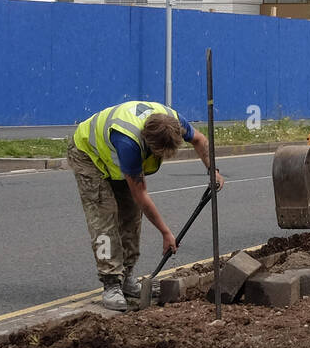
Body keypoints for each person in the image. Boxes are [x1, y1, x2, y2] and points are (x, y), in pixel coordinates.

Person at [68, 99, 225, 312]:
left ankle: (127, 277)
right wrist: (166, 233)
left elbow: (199, 140)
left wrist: (212, 169)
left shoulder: (174, 122)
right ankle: (111, 283)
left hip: (114, 157)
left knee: (131, 217)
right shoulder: (129, 143)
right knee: (104, 218)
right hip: (88, 156)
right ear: (148, 144)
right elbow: (141, 195)